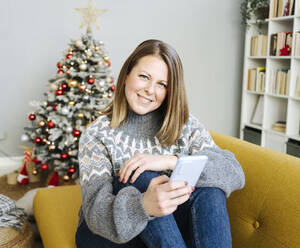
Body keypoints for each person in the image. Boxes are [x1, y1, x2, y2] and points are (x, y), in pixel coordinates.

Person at [75, 39, 245, 248]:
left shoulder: (186, 125)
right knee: (141, 176)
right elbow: (95, 214)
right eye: (144, 77)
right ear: (127, 75)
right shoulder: (97, 134)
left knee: (210, 189)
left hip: (170, 229)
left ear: (170, 91)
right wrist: (144, 206)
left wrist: (170, 161)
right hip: (108, 234)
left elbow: (234, 172)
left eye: (161, 84)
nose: (149, 90)